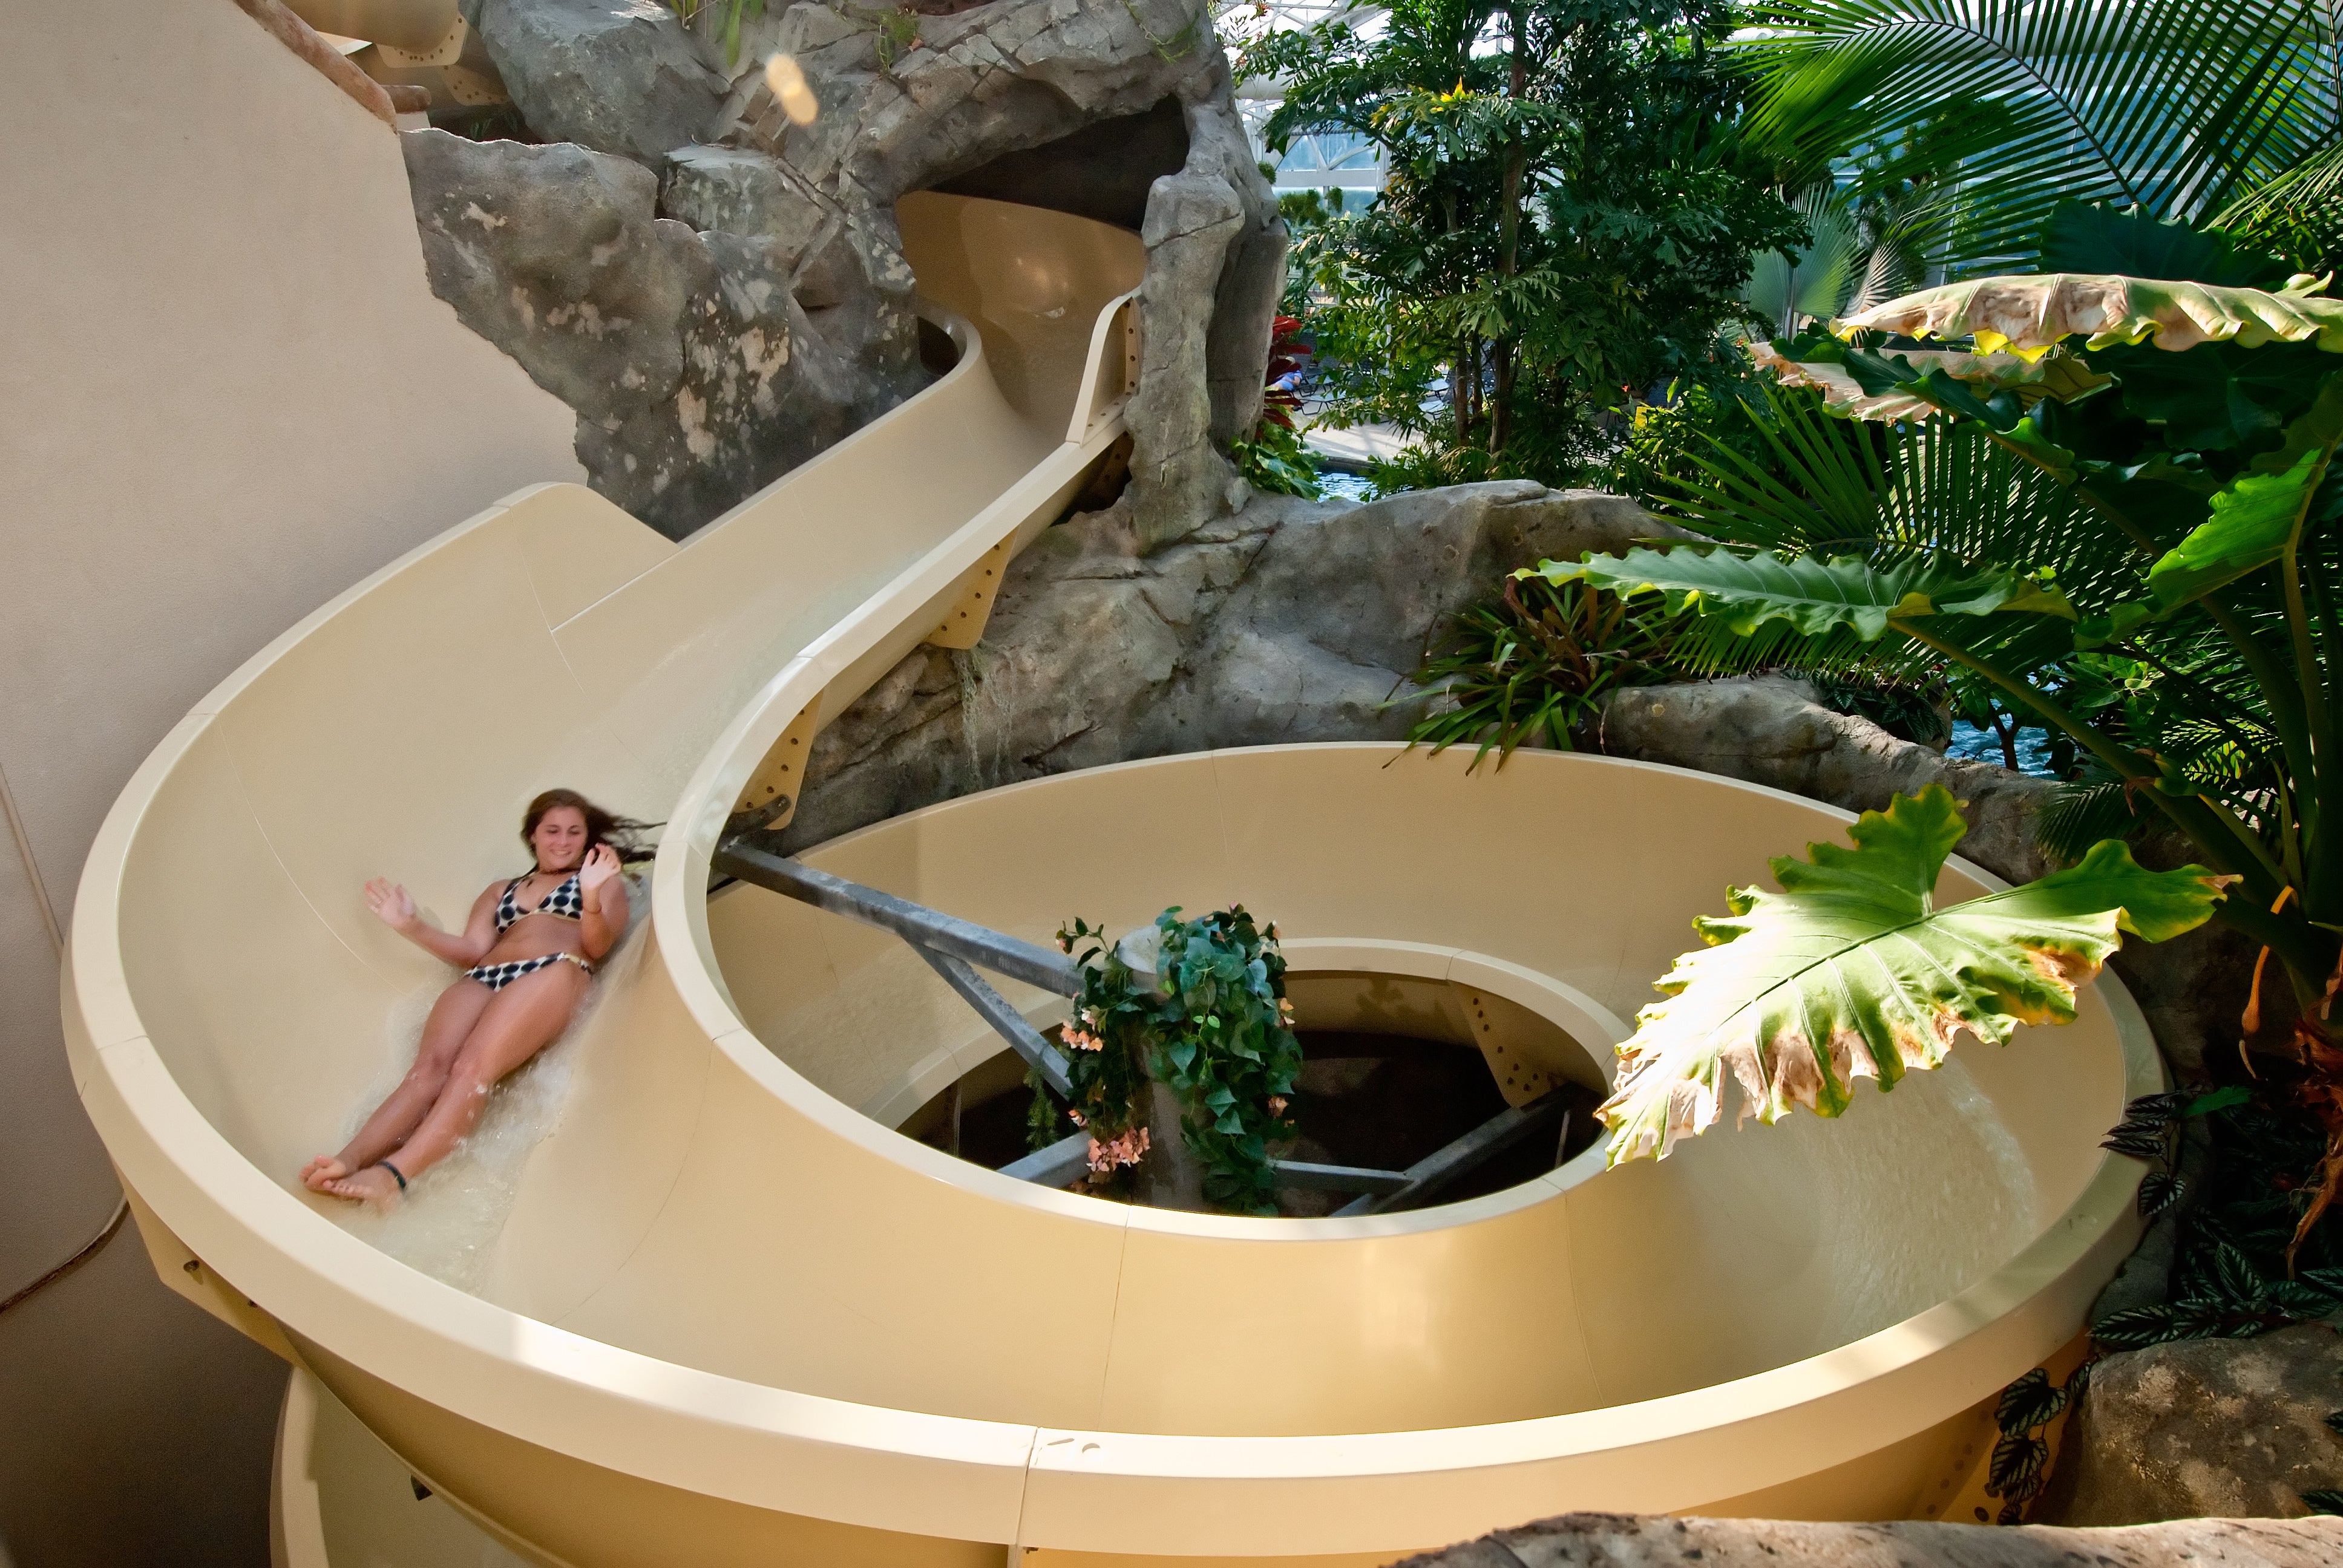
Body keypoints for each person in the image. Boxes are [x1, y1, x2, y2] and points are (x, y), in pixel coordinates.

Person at [301, 789, 650, 1207]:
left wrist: (592, 896)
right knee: (426, 1072)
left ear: (586, 838)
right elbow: (473, 949)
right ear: (533, 837)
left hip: (556, 970)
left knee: (471, 1068)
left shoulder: (599, 882)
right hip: (487, 974)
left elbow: (597, 946)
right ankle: (348, 1159)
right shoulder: (501, 890)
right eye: (552, 831)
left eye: (574, 832)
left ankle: (393, 1176)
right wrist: (409, 926)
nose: (563, 841)